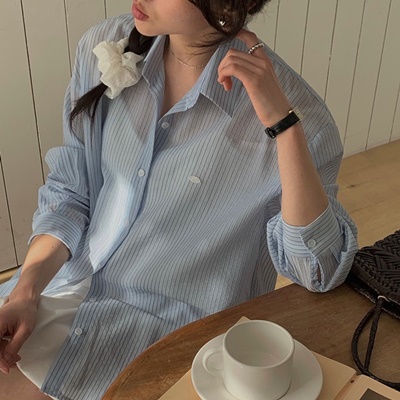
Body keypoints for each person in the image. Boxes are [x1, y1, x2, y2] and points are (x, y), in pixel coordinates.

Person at [0, 0, 358, 399]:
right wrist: (27, 290)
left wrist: (285, 127)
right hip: (59, 285)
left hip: (168, 336)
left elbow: (318, 272)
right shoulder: (104, 45)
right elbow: (70, 192)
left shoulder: (301, 116)